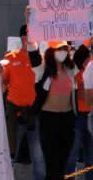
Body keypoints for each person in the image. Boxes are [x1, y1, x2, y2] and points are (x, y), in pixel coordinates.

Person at [0, 24, 45, 180]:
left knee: (38, 158)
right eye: (29, 36)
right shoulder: (10, 58)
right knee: (10, 156)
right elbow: (2, 86)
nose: (31, 39)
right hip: (15, 116)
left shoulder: (41, 59)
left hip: (34, 115)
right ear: (23, 38)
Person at [28, 39, 78, 180]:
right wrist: (30, 25)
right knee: (52, 162)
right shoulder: (42, 68)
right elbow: (33, 52)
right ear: (51, 51)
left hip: (67, 120)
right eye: (58, 49)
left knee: (63, 162)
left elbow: (83, 52)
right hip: (48, 120)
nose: (62, 52)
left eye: (64, 49)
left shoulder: (71, 69)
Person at [65, 37, 93, 180]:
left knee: (91, 160)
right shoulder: (74, 69)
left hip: (91, 116)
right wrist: (77, 93)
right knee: (72, 158)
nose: (87, 61)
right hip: (77, 118)